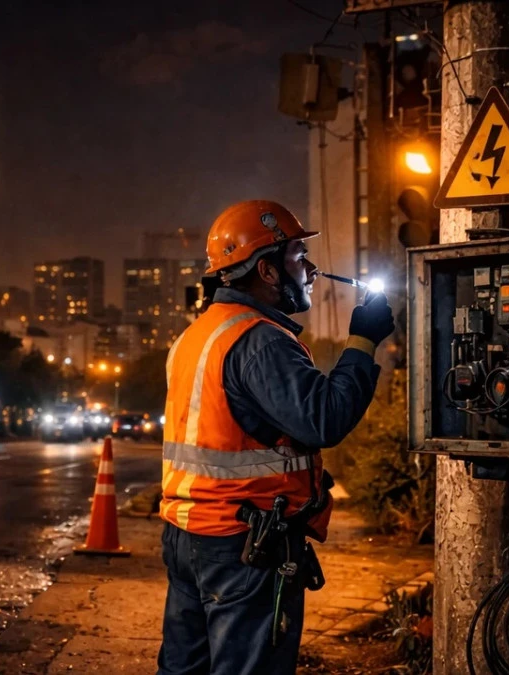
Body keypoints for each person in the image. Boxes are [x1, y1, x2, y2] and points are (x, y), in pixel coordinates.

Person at [157, 200, 396, 675]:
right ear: (267, 271)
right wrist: (363, 340)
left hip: (189, 535)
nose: (311, 269)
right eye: (298, 257)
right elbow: (324, 420)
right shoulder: (259, 340)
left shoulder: (196, 335)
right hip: (243, 544)